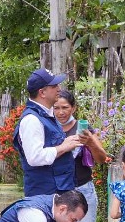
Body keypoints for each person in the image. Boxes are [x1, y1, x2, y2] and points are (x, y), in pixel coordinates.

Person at [53, 90, 108, 222]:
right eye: (56, 108)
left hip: (82, 188)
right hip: (58, 191)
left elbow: (101, 158)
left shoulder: (83, 128)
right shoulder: (50, 127)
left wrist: (90, 141)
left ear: (73, 108)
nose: (61, 112)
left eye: (65, 107)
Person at [14, 68, 83, 196]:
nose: (59, 89)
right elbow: (35, 157)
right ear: (42, 92)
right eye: (54, 86)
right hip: (45, 197)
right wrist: (63, 147)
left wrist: (66, 142)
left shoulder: (47, 115)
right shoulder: (32, 120)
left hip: (59, 193)